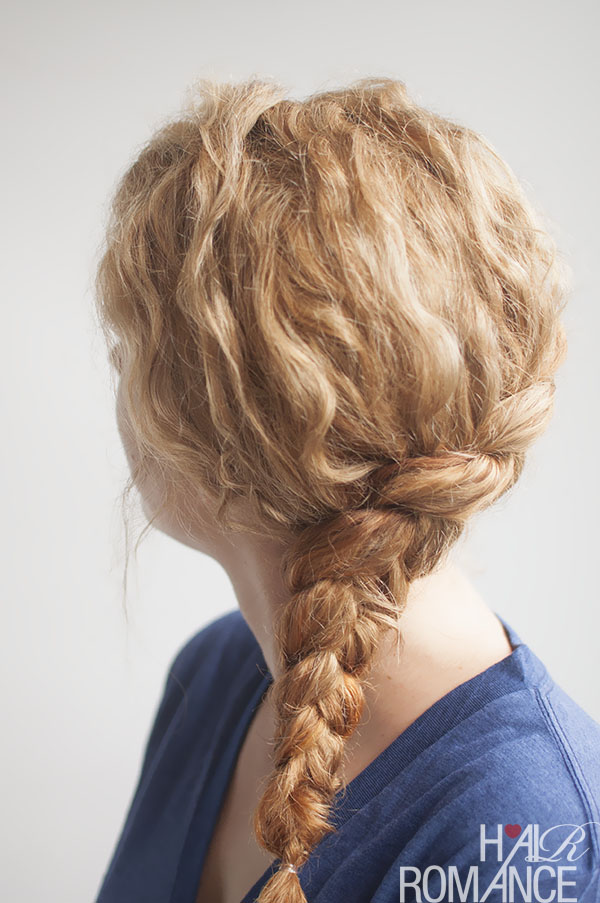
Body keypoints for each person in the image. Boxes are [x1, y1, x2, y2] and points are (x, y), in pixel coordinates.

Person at [92, 76, 600, 903]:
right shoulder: (220, 675)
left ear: (221, 425)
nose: (118, 372)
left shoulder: (530, 840)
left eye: (130, 347)